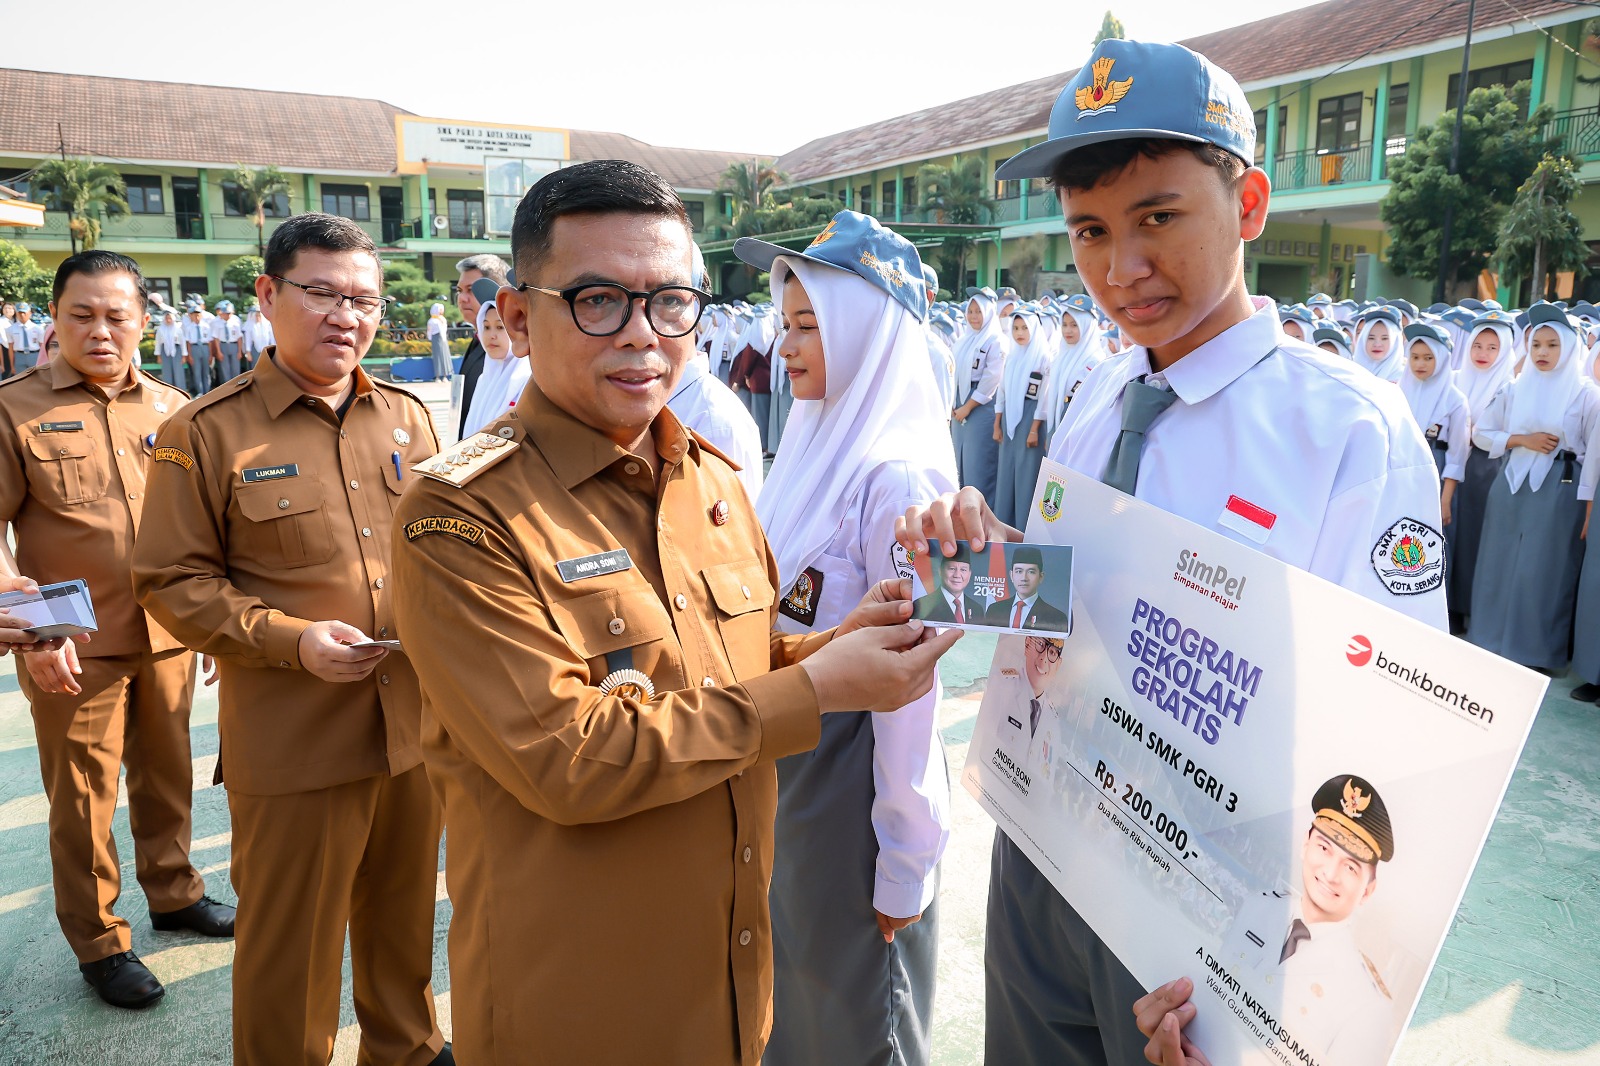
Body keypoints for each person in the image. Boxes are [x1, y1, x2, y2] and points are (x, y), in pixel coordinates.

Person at [894, 38, 1445, 1066]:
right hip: (1041, 844)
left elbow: (1386, 730)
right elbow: (1068, 607)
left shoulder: (1346, 433)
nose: (1121, 268)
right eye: (1090, 231)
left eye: (1157, 217)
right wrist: (970, 557)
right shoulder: (1102, 394)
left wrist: (1282, 1010)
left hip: (1198, 915)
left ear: (1248, 205)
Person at [387, 159, 958, 1064]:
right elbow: (569, 756)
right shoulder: (461, 515)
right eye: (598, 300)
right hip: (582, 998)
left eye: (670, 301)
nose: (642, 334)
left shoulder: (710, 480)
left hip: (732, 969)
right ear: (517, 319)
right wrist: (816, 687)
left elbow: (724, 661)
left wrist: (825, 647)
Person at [132, 214, 450, 1065]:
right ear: (268, 295)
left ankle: (407, 1052)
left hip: (412, 730)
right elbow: (170, 580)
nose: (348, 316)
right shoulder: (206, 430)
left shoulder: (409, 418)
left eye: (366, 301)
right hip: (295, 740)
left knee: (405, 931)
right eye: (322, 293)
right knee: (291, 955)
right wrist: (291, 639)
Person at [735, 210, 955, 1066]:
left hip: (851, 789)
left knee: (860, 1016)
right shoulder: (810, 444)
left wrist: (904, 853)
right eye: (784, 324)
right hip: (788, 758)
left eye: (808, 326)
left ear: (867, 333)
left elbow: (912, 690)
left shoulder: (898, 477)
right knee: (796, 1001)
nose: (785, 347)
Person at [0, 251, 227, 1010]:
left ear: (143, 323)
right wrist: (31, 632)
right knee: (83, 799)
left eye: (116, 316)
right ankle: (99, 942)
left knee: (168, 777)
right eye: (82, 315)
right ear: (54, 319)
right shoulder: (14, 409)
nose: (101, 331)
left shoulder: (174, 408)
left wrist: (219, 623)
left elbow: (208, 526)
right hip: (72, 647)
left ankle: (175, 893)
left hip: (169, 634)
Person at [1221, 775, 1396, 1063]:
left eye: (1350, 867)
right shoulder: (1257, 907)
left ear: (1367, 891)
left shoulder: (1367, 1002)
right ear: (1305, 844)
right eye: (1324, 848)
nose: (1330, 873)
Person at [1468, 302, 1599, 671]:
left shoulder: (1586, 394)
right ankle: (1488, 639)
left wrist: (1588, 505)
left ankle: (1536, 653)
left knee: (1545, 570)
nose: (1542, 352)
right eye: (1536, 344)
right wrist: (1521, 440)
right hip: (1511, 481)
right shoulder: (1514, 388)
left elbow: (1593, 454)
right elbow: (1481, 433)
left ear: (1570, 348)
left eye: (1552, 345)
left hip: (1560, 486)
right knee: (1497, 562)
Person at [1447, 309, 1517, 632]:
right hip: (1454, 462)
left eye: (1492, 348)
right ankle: (1448, 603)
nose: (1483, 353)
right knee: (1451, 533)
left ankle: (1468, 605)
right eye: (1477, 345)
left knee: (1475, 535)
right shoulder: (1456, 378)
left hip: (1486, 466)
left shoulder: (1508, 386)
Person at [1400, 323, 1470, 567]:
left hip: (1434, 475)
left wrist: (1445, 499)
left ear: (1441, 359)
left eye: (1428, 358)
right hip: (1402, 469)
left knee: (1430, 543)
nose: (1420, 364)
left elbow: (1457, 456)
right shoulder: (1399, 391)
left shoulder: (1455, 400)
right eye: (1415, 357)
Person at [994, 305, 1053, 529]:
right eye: (1016, 328)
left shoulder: (1042, 357)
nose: (1019, 333)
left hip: (1030, 421)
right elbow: (1002, 391)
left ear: (1034, 329)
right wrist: (997, 423)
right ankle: (1003, 527)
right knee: (1006, 475)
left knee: (1026, 477)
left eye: (1024, 328)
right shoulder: (1012, 356)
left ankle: (1023, 530)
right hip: (1009, 420)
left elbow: (1044, 397)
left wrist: (1034, 429)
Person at [951, 288, 1005, 500]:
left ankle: (980, 515)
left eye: (978, 312)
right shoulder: (964, 339)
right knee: (959, 463)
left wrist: (967, 407)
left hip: (980, 406)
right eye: (970, 311)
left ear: (989, 313)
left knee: (978, 465)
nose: (973, 316)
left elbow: (992, 379)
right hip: (959, 404)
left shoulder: (995, 340)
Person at [991, 635, 1063, 785]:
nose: (1044, 659)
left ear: (1058, 665)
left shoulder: (1054, 724)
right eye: (1040, 644)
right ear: (1027, 643)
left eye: (1052, 653)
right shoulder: (999, 685)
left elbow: (1046, 784)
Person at [454, 252, 512, 439]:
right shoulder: (479, 341)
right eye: (459, 290)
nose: (462, 298)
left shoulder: (512, 355)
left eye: (471, 290)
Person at [1039, 293, 1104, 448]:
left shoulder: (1095, 361)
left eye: (1075, 325)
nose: (1068, 330)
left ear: (1086, 327)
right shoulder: (1062, 355)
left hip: (1078, 424)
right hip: (1057, 416)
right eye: (1065, 324)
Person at [460, 296, 530, 437]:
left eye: (500, 327)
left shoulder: (528, 380)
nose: (491, 335)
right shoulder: (484, 379)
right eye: (486, 327)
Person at [983, 545, 1069, 631]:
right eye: (1019, 571)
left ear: (1041, 577)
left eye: (1031, 572)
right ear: (1011, 575)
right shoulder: (994, 610)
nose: (1024, 578)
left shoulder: (1056, 618)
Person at [914, 544, 985, 624]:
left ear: (969, 574)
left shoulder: (977, 609)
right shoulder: (922, 605)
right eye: (952, 568)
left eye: (963, 570)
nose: (957, 575)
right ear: (940, 571)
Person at [1353, 305, 1406, 382]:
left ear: (1395, 342)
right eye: (1371, 338)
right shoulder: (1350, 373)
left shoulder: (1404, 379)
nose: (1377, 344)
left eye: (1384, 338)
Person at [208, 299, 244, 383]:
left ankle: (237, 386)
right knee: (225, 369)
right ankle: (227, 387)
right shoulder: (217, 323)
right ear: (222, 314)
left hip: (234, 345)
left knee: (235, 368)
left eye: (229, 313)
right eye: (226, 313)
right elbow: (216, 339)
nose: (228, 315)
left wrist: (239, 351)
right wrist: (218, 352)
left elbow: (239, 338)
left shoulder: (235, 322)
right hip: (223, 345)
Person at [180, 301, 211, 394]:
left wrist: (211, 355)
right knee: (197, 372)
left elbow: (210, 341)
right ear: (191, 316)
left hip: (205, 348)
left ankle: (207, 391)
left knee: (206, 372)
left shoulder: (206, 326)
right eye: (194, 315)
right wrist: (189, 355)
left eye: (198, 315)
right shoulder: (189, 327)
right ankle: (200, 392)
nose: (196, 317)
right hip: (194, 348)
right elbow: (188, 342)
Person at [8, 301, 43, 373]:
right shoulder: (11, 329)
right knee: (21, 378)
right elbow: (10, 347)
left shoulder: (37, 328)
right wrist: (12, 366)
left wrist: (43, 361)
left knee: (36, 377)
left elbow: (42, 345)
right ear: (16, 314)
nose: (22, 315)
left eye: (24, 313)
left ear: (30, 313)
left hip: (34, 355)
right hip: (19, 356)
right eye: (20, 313)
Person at [154, 309, 184, 386]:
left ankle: (180, 389)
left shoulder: (178, 329)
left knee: (178, 372)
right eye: (167, 318)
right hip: (164, 351)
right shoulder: (160, 329)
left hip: (177, 350)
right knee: (166, 372)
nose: (168, 320)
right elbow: (158, 343)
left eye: (170, 318)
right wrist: (158, 356)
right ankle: (168, 389)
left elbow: (182, 343)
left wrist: (184, 356)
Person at [426, 301, 452, 382]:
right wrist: (430, 338)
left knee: (445, 356)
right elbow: (429, 331)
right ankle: (437, 376)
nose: (441, 311)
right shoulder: (432, 320)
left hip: (443, 339)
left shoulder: (442, 319)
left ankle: (445, 375)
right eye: (440, 309)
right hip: (436, 338)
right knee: (437, 357)